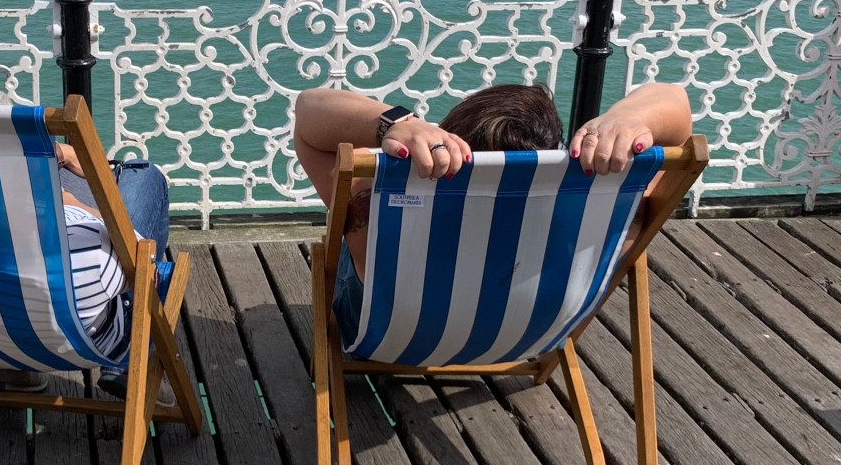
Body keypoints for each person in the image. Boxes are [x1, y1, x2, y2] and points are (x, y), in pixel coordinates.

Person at [293, 80, 692, 339]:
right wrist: (624, 119)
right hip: (527, 339)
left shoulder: (375, 206)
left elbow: (308, 109)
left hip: (383, 337)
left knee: (342, 251)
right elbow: (676, 102)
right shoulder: (602, 220)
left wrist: (394, 123)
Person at [0, 81, 171, 393]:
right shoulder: (87, 251)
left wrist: (56, 165)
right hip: (75, 341)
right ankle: (129, 365)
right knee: (144, 176)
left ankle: (4, 370)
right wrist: (70, 203)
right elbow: (142, 263)